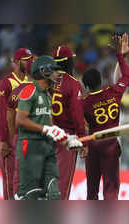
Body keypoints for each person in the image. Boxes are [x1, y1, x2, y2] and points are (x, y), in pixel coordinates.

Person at [14, 55, 83, 200]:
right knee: (30, 194)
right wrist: (44, 129)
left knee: (53, 193)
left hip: (47, 149)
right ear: (43, 71)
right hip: (30, 147)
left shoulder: (47, 96)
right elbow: (20, 120)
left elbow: (51, 126)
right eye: (54, 71)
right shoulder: (29, 90)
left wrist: (67, 139)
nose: (57, 75)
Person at [82, 33, 129, 200]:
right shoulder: (114, 92)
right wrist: (120, 55)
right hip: (111, 145)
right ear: (101, 81)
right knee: (111, 190)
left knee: (92, 190)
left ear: (86, 86)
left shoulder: (84, 103)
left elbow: (80, 122)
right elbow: (126, 76)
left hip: (93, 145)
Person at [52, 45, 87, 200]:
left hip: (46, 134)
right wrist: (83, 140)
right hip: (66, 137)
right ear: (69, 62)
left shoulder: (46, 81)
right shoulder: (73, 84)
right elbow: (77, 115)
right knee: (62, 184)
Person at [0, 48, 33, 199]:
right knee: (10, 182)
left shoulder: (31, 81)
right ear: (18, 62)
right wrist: (4, 141)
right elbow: (2, 113)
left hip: (27, 141)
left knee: (24, 182)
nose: (30, 62)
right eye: (27, 59)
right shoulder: (6, 83)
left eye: (31, 59)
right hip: (11, 140)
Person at [7, 57, 35, 195]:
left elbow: (9, 116)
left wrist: (13, 136)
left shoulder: (15, 92)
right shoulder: (40, 91)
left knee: (19, 173)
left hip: (20, 137)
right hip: (35, 138)